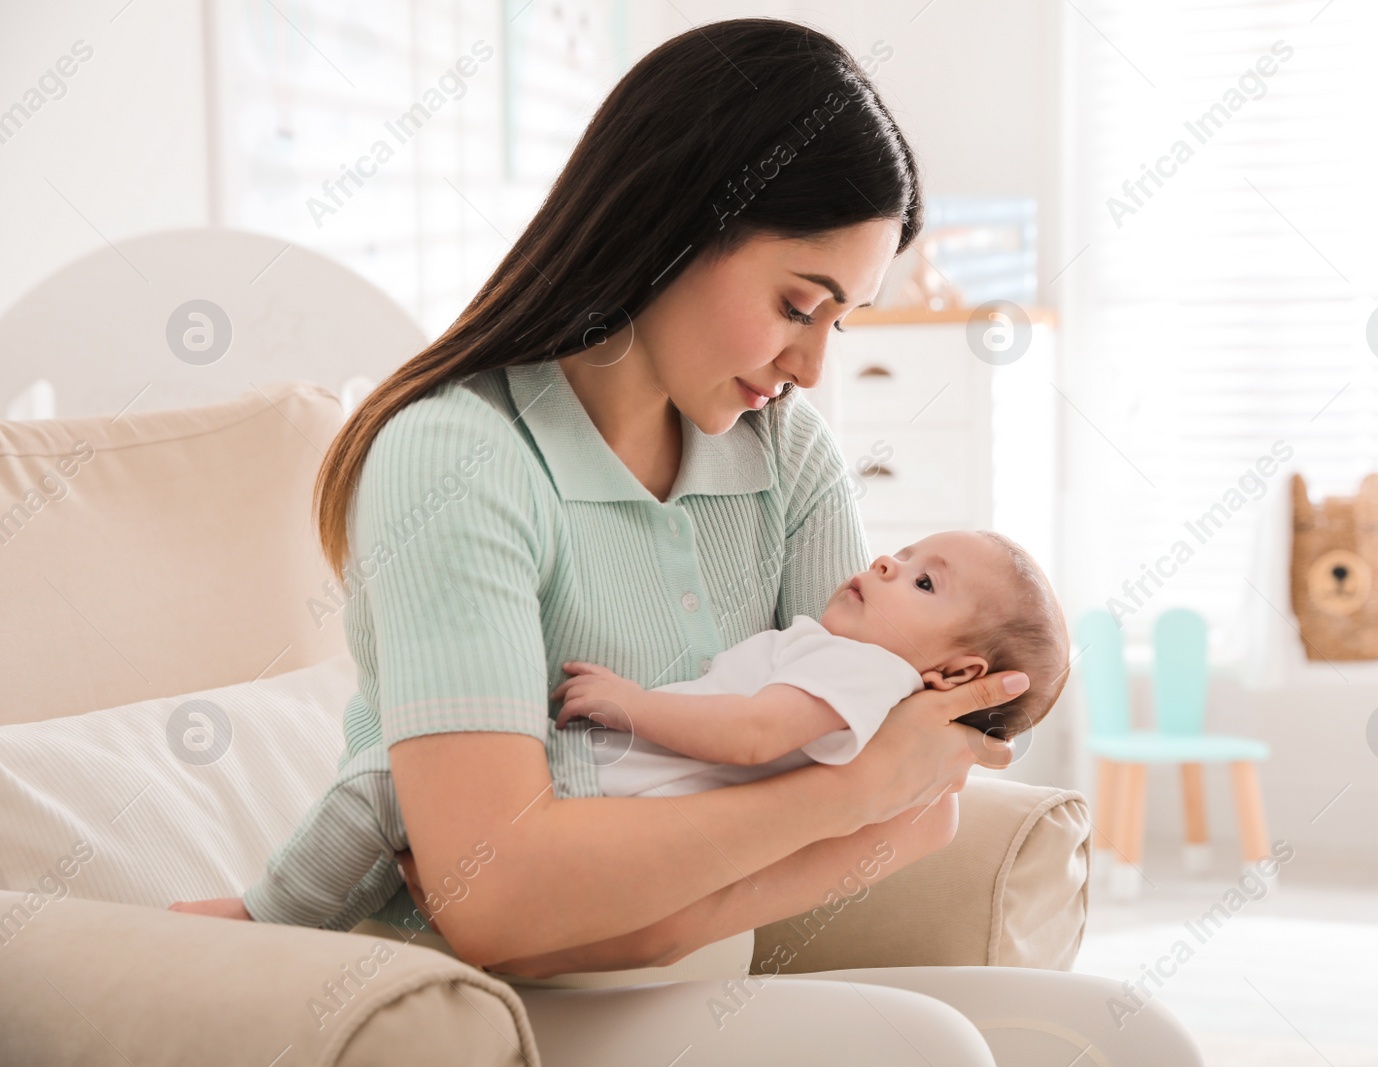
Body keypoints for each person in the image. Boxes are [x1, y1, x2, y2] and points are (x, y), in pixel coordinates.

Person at [177, 17, 1201, 1064]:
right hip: (465, 1001)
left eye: (837, 324)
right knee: (924, 1048)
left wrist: (678, 891)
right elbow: (494, 895)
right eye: (798, 305)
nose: (810, 368)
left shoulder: (785, 455)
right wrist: (840, 795)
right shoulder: (459, 458)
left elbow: (924, 806)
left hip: (689, 984)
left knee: (1129, 1037)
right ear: (671, 224)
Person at [169, 530, 1070, 930]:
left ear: (953, 676)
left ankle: (267, 918)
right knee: (396, 813)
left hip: (610, 794)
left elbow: (755, 732)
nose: (887, 559)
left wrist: (634, 702)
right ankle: (307, 917)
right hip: (606, 790)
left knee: (385, 791)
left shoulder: (867, 675)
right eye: (907, 551)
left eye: (923, 583)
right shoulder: (853, 662)